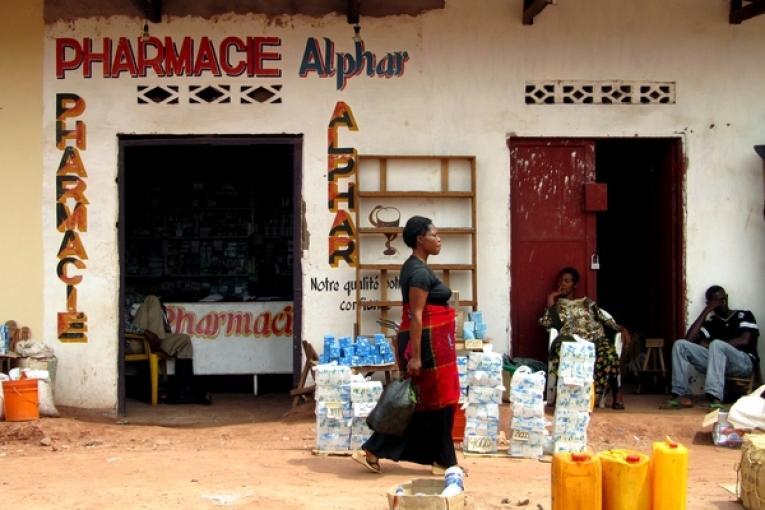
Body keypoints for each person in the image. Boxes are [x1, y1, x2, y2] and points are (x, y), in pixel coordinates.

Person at [352, 216, 460, 474]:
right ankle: (442, 461)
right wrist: (415, 357)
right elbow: (416, 314)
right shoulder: (419, 272)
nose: (439, 239)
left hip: (433, 345)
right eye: (434, 234)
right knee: (435, 402)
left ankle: (438, 459)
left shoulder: (417, 267)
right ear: (420, 239)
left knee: (429, 404)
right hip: (425, 346)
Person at [539, 267, 631, 409]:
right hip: (571, 341)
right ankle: (562, 392)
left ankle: (616, 392)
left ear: (574, 285)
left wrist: (621, 328)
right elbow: (551, 325)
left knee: (608, 352)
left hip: (594, 339)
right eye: (561, 281)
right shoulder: (557, 305)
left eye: (567, 281)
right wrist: (551, 299)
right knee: (560, 350)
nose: (563, 284)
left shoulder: (587, 303)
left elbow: (605, 319)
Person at [663, 285, 759, 410]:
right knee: (680, 345)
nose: (722, 303)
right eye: (717, 301)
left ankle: (715, 398)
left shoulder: (744, 314)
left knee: (716, 344)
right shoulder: (713, 323)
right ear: (710, 303)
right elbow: (689, 339)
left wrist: (716, 346)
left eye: (723, 299)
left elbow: (744, 340)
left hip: (743, 362)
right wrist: (706, 311)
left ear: (727, 298)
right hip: (717, 364)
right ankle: (679, 395)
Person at [128, 294, 212, 405]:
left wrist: (160, 309)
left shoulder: (129, 298)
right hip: (133, 340)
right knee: (151, 299)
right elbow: (119, 325)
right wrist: (145, 332)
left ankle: (184, 392)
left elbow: (138, 300)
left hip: (151, 339)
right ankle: (155, 344)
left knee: (184, 340)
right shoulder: (114, 298)